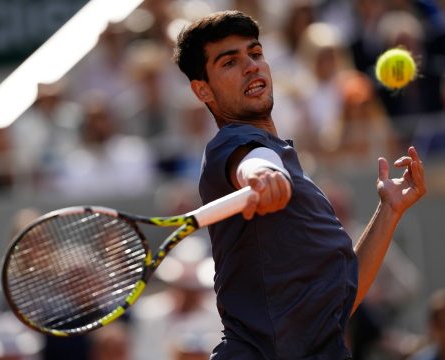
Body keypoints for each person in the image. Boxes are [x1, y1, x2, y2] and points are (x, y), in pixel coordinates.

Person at [173, 10, 427, 359]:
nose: (252, 66)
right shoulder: (232, 145)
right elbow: (253, 161)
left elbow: (341, 303)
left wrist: (389, 210)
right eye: (230, 62)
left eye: (256, 53)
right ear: (203, 90)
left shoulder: (288, 162)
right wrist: (261, 175)